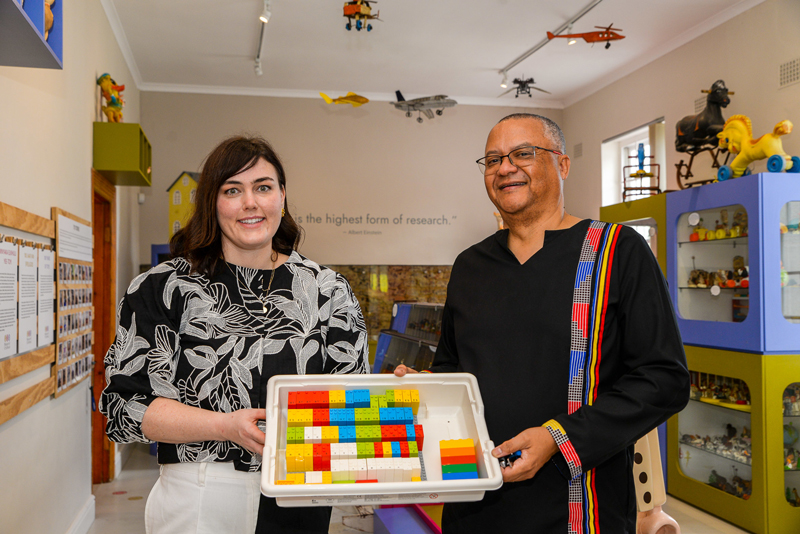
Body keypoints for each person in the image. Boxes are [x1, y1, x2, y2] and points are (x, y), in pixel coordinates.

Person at [394, 114, 689, 533]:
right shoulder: (469, 266)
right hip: (477, 503)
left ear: (563, 165)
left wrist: (557, 438)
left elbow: (664, 379)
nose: (505, 167)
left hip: (580, 507)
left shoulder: (617, 252)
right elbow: (452, 369)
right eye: (493, 159)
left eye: (523, 154)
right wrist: (424, 387)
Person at [99, 135, 370, 534]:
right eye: (232, 190)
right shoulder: (163, 288)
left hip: (302, 485)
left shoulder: (328, 291)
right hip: (200, 492)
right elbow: (124, 407)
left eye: (263, 187)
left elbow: (355, 404)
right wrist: (222, 426)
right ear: (212, 201)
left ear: (282, 196)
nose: (250, 203)